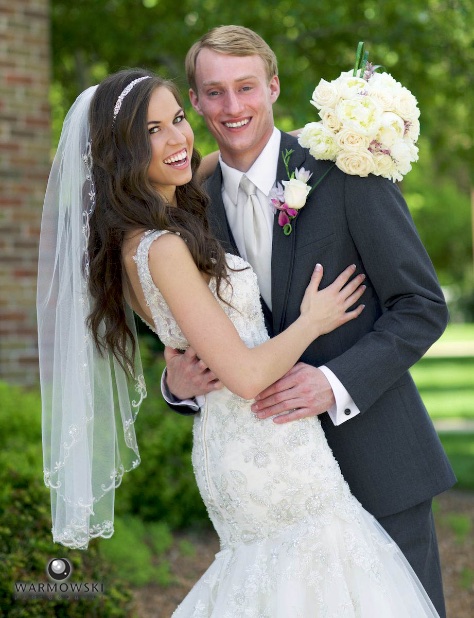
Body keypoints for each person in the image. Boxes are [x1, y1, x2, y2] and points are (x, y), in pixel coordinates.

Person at [36, 66, 445, 616]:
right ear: (120, 151)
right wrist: (313, 320)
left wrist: (346, 126)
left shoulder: (187, 198)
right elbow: (245, 371)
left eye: (176, 120)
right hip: (266, 457)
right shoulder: (161, 245)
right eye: (151, 131)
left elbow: (421, 305)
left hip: (367, 454)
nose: (178, 138)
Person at [161, 25, 456, 617]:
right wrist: (178, 388)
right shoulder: (190, 202)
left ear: (273, 87)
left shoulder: (344, 168)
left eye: (246, 87)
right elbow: (193, 335)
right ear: (195, 102)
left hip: (377, 461)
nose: (232, 106)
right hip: (276, 492)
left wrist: (334, 383)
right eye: (213, 92)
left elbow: (421, 304)